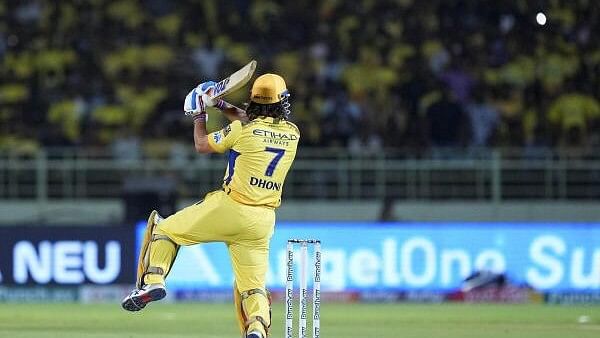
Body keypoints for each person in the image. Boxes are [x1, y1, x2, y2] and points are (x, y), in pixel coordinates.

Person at [121, 73, 300, 338]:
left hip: (231, 207)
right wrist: (219, 104)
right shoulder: (293, 133)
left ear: (253, 100)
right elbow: (254, 123)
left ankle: (152, 281)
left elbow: (202, 144)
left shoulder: (243, 130)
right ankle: (257, 329)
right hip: (262, 221)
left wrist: (199, 115)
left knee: (163, 229)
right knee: (252, 287)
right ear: (282, 102)